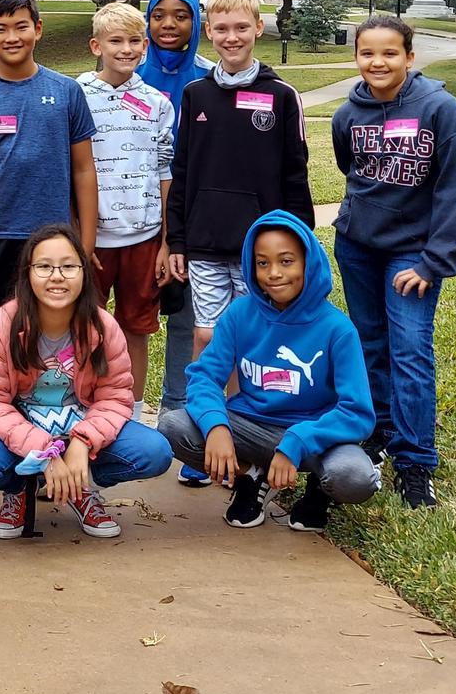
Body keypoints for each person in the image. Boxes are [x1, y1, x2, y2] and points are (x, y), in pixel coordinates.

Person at [330, 14, 456, 510]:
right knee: (370, 345)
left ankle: (416, 462)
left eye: (390, 52)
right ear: (356, 56)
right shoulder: (346, 116)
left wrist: (435, 261)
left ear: (410, 57)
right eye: (367, 52)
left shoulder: (441, 110)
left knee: (410, 351)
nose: (377, 62)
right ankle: (380, 434)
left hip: (412, 255)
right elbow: (350, 170)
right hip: (357, 249)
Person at [159, 212, 379, 532]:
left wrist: (297, 441)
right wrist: (216, 426)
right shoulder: (239, 314)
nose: (274, 273)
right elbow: (204, 376)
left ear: (308, 261)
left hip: (315, 437)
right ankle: (249, 478)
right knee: (173, 426)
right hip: (252, 429)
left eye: (286, 261)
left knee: (355, 477)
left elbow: (357, 413)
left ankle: (318, 492)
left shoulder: (337, 329)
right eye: (262, 263)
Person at [0, 225, 174, 539]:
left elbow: (115, 398)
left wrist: (82, 444)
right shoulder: (3, 324)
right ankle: (18, 489)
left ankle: (78, 486)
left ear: (84, 272)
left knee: (154, 451)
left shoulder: (102, 326)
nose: (57, 276)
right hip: (22, 435)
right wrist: (44, 453)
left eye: (68, 266)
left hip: (79, 431)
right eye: (44, 266)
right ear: (27, 274)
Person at [165, 0, 314, 366]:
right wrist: (178, 240)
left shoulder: (282, 95)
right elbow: (182, 171)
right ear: (209, 31)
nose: (232, 38)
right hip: (205, 243)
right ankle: (209, 416)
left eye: (241, 28)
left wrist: (300, 243)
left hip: (261, 247)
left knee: (259, 336)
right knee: (208, 335)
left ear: (258, 29)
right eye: (222, 29)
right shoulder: (195, 94)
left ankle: (254, 418)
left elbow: (296, 176)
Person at [0, 0, 99, 347]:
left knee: (50, 341)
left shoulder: (67, 92)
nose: (12, 37)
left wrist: (86, 246)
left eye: (21, 26)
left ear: (38, 29)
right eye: (0, 28)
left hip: (53, 240)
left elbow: (83, 170)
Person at [78, 1, 175, 426]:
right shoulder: (75, 95)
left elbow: (165, 172)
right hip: (91, 240)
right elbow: (69, 168)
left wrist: (167, 242)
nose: (126, 49)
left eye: (135, 40)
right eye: (116, 40)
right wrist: (77, 237)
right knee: (84, 327)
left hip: (144, 235)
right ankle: (84, 406)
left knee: (136, 328)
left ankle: (131, 415)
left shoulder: (157, 103)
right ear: (96, 45)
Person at [140, 0, 213, 482]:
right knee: (124, 327)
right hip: (129, 224)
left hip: (190, 221)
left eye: (180, 15)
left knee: (188, 326)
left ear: (196, 23)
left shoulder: (209, 81)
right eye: (159, 14)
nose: (169, 24)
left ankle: (180, 428)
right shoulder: (125, 76)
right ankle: (110, 425)